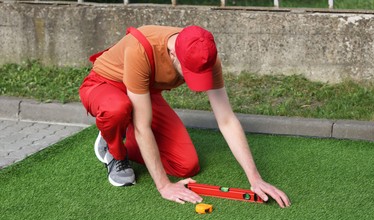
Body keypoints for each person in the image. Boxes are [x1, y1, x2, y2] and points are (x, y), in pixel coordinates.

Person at [79, 25, 291, 208]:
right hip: (104, 84)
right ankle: (113, 147)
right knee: (118, 108)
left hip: (143, 92)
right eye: (190, 72)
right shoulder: (140, 49)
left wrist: (255, 179)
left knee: (186, 165)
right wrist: (164, 186)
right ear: (172, 55)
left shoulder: (206, 55)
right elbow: (143, 127)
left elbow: (226, 119)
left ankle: (125, 134)